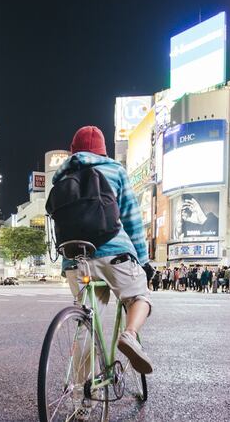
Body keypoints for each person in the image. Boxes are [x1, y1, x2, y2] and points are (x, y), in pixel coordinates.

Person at [52, 125, 153, 375]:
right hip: (114, 253)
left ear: (73, 151)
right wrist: (144, 261)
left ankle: (81, 399)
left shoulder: (62, 178)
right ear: (103, 151)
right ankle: (129, 335)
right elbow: (132, 219)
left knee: (86, 324)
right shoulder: (116, 170)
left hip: (75, 260)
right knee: (139, 297)